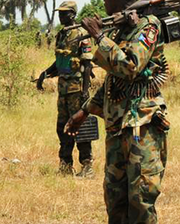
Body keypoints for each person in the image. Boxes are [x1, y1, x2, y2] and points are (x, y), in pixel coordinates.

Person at [65, 0, 169, 222]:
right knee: (115, 197)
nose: (104, 3)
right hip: (118, 127)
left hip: (142, 126)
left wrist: (100, 38)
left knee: (140, 198)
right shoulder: (121, 30)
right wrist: (84, 112)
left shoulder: (148, 25)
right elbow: (114, 82)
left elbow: (130, 67)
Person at [36, 1, 94, 178]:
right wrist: (44, 74)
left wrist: (85, 91)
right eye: (60, 13)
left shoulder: (82, 34)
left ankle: (87, 165)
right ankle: (65, 165)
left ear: (73, 14)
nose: (61, 16)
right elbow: (60, 62)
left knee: (80, 126)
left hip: (77, 89)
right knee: (62, 127)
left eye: (65, 13)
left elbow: (87, 64)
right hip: (63, 90)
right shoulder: (62, 34)